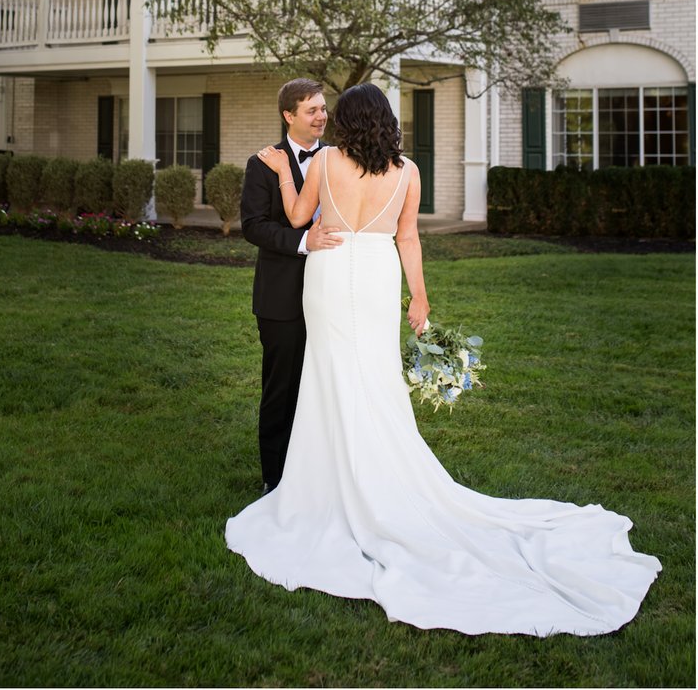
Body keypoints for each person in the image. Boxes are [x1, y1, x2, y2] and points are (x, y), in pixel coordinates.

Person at [224, 84, 660, 636]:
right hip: (380, 276)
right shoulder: (408, 171)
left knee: (330, 375)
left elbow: (295, 215)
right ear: (386, 120)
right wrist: (420, 297)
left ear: (348, 123)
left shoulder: (327, 160)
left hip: (331, 274)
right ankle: (374, 476)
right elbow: (409, 238)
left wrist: (285, 173)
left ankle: (328, 482)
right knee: (374, 377)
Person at [237, 78, 344, 494]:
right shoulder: (263, 163)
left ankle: (317, 474)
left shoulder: (337, 159)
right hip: (280, 298)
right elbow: (253, 226)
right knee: (281, 389)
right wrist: (304, 242)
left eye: (323, 108)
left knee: (322, 386)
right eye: (312, 110)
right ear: (289, 115)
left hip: (330, 293)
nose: (322, 116)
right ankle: (275, 479)